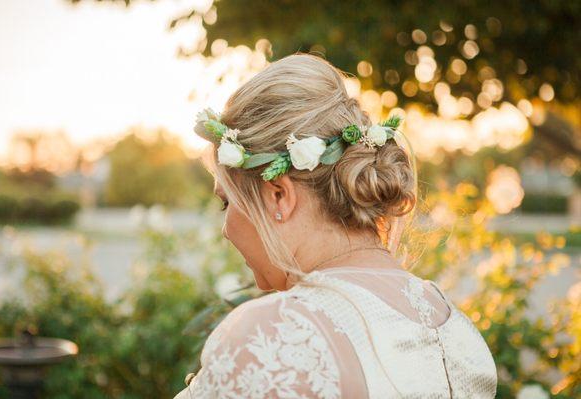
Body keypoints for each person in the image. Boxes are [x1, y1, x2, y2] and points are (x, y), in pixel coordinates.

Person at [174, 53, 497, 399]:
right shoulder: (458, 331)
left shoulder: (273, 339)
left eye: (228, 202)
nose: (226, 228)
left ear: (278, 195)